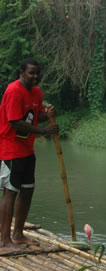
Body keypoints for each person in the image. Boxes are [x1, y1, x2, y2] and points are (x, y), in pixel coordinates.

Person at [0, 59, 58, 253]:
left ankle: (18, 234)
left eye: (37, 73)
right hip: (10, 148)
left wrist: (47, 114)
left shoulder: (37, 92)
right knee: (10, 191)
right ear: (22, 73)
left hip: (27, 149)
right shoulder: (13, 91)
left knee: (27, 190)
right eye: (31, 73)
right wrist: (44, 131)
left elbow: (35, 114)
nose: (35, 76)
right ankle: (5, 239)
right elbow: (15, 122)